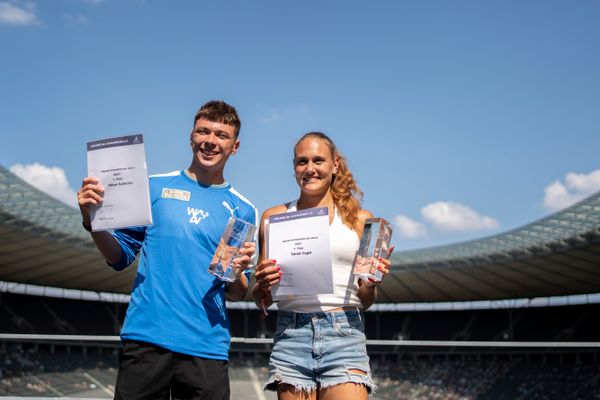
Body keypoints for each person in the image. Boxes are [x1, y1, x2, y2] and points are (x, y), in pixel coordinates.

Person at [77, 100, 257, 400]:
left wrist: (237, 274)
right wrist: (91, 220)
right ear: (191, 136)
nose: (210, 141)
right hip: (147, 340)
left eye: (221, 136)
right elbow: (119, 257)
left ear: (234, 146)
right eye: (203, 131)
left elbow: (237, 293)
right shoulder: (153, 188)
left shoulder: (243, 209)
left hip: (206, 347)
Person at [252, 132, 392, 399]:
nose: (310, 169)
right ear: (294, 166)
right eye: (302, 161)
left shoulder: (362, 220)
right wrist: (262, 284)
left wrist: (372, 284)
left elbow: (367, 299)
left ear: (335, 165)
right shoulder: (273, 217)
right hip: (292, 334)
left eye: (318, 160)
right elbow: (262, 299)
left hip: (344, 332)